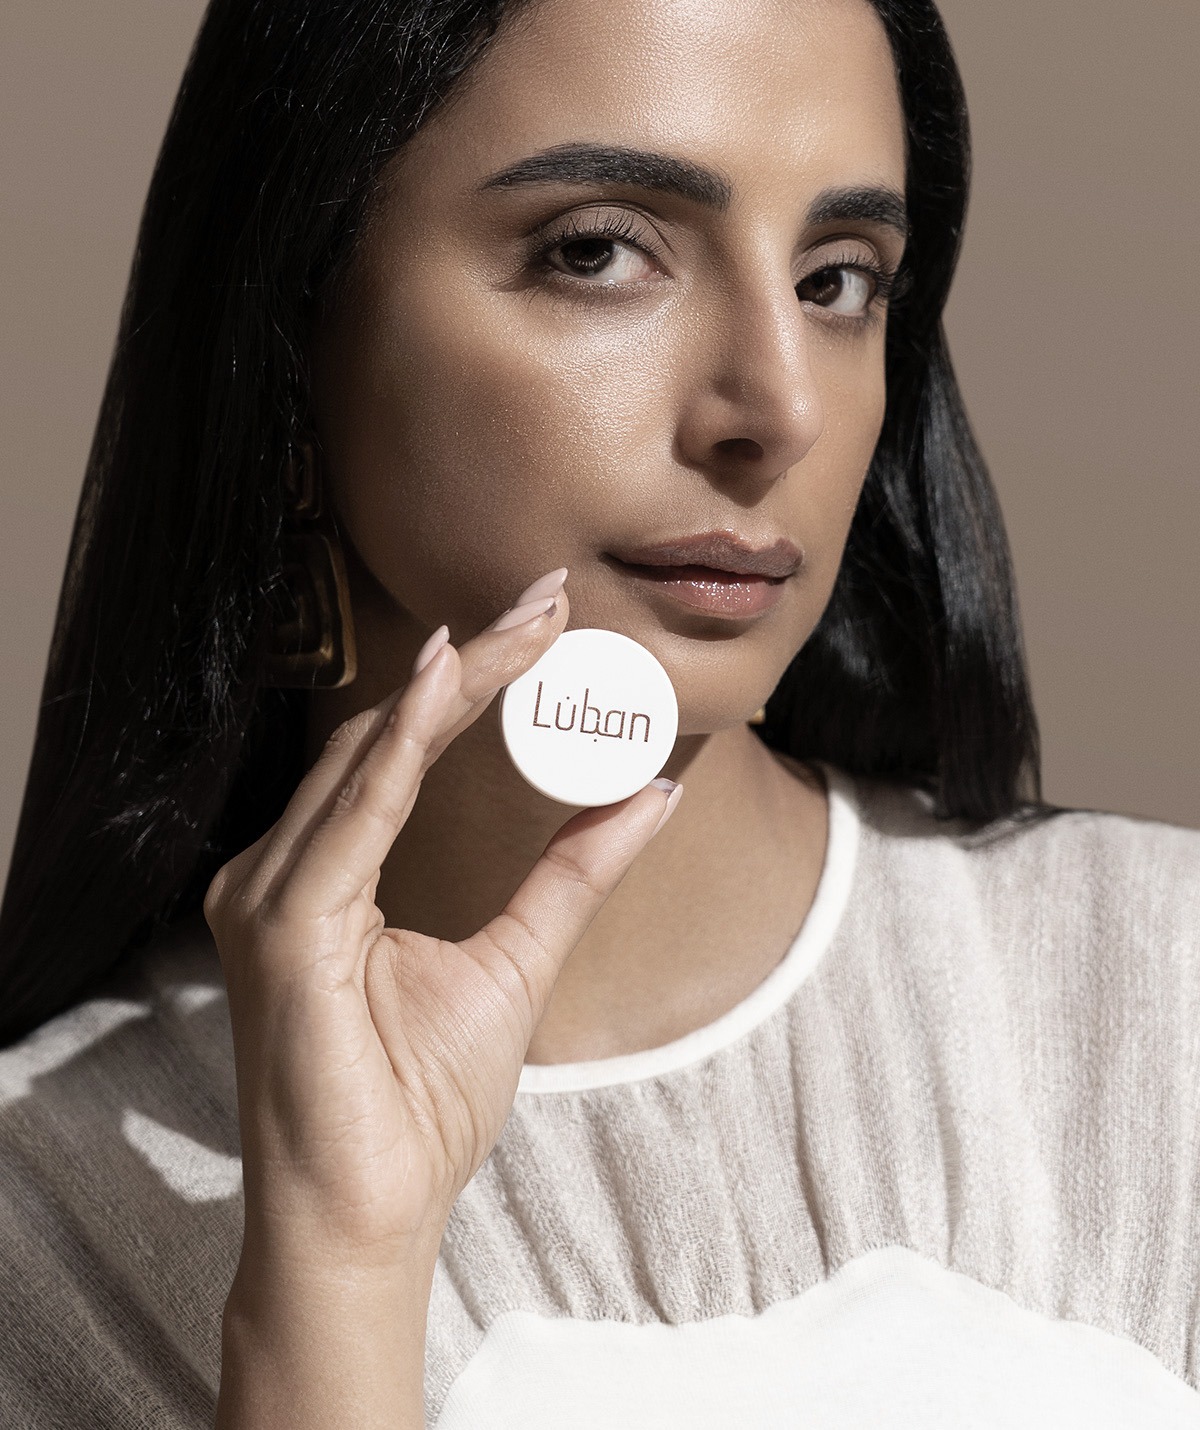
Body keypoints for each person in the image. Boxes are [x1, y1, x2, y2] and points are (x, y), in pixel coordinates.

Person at [0, 0, 1197, 1424]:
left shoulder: (1163, 989)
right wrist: (331, 1275)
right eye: (598, 251)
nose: (778, 406)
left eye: (836, 279)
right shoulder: (41, 1220)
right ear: (294, 338)